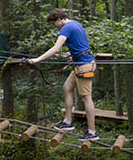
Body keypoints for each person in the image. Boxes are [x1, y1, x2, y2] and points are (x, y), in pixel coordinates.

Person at [28, 8, 99, 141]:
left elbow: (56, 49)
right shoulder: (76, 23)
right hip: (80, 63)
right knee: (67, 87)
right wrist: (72, 55)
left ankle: (92, 132)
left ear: (59, 19)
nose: (54, 27)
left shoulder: (65, 28)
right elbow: (82, 45)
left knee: (86, 98)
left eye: (54, 23)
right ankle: (67, 121)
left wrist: (37, 59)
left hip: (84, 66)